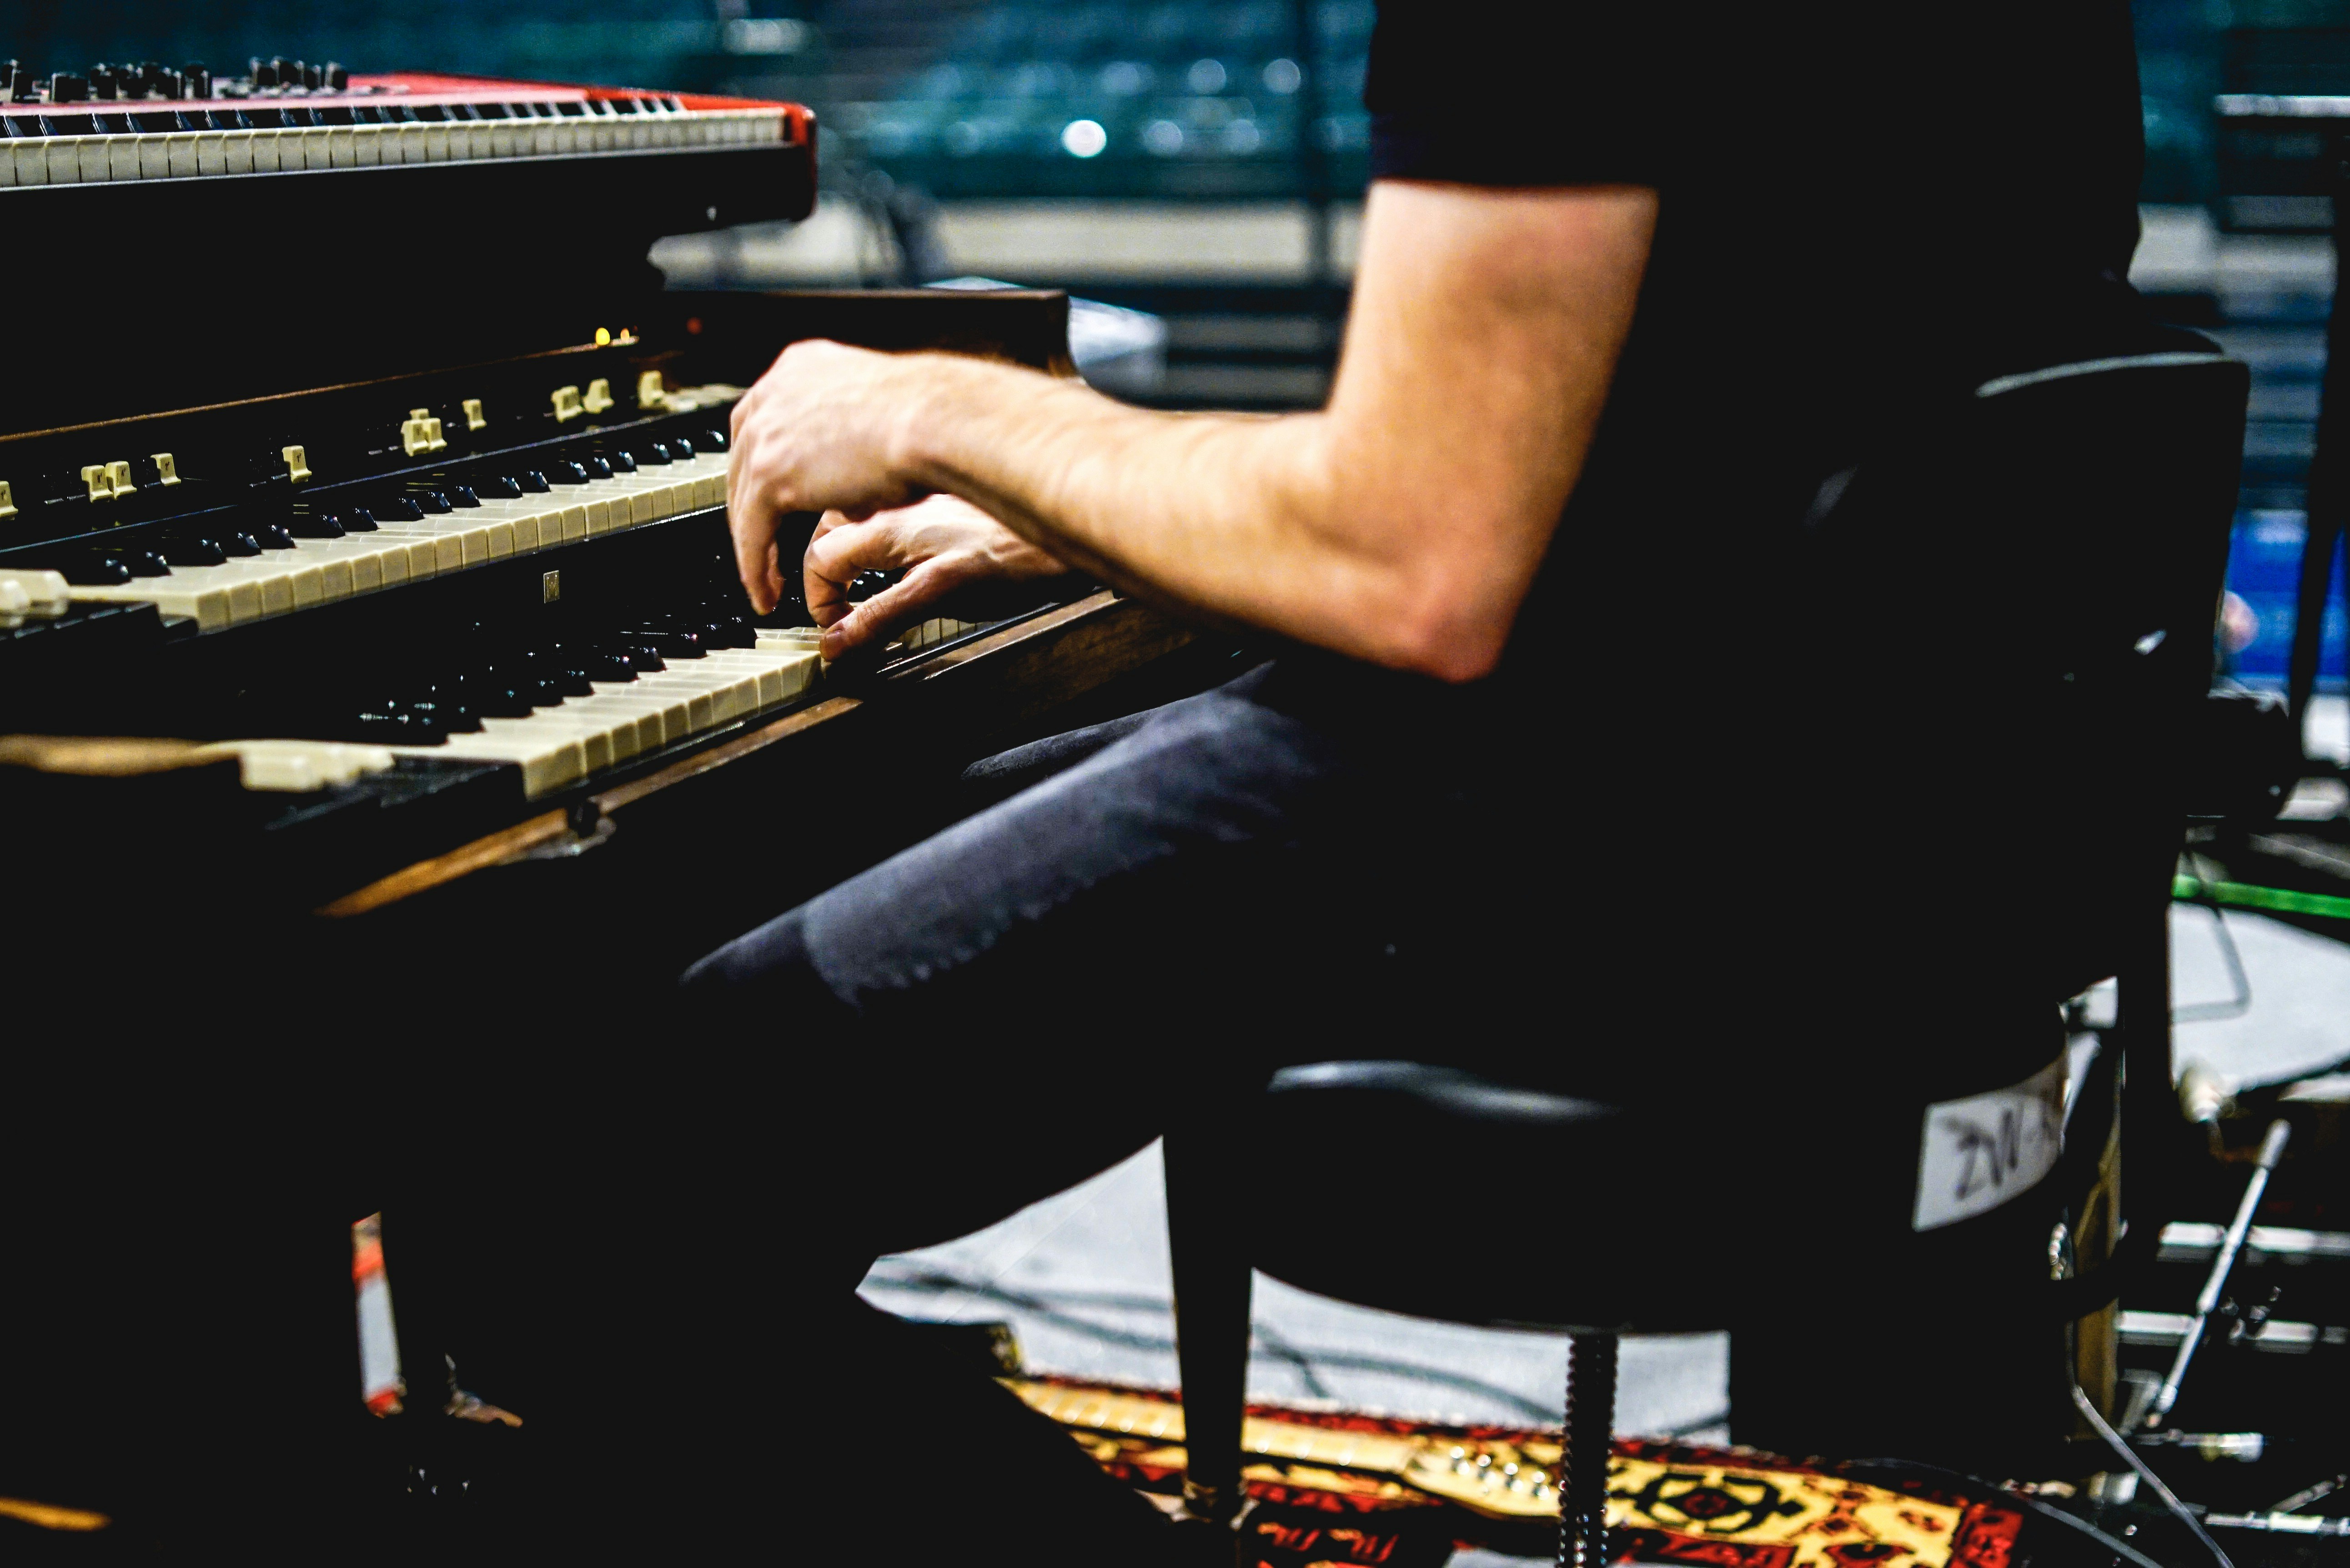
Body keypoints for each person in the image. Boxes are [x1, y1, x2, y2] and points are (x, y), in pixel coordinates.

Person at [654, 0, 2185, 1548]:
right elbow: (1686, 437)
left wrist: (941, 406)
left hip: (1618, 842)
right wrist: (1117, 507)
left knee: (601, 1196)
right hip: (1878, 821)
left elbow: (1424, 568)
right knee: (802, 872)